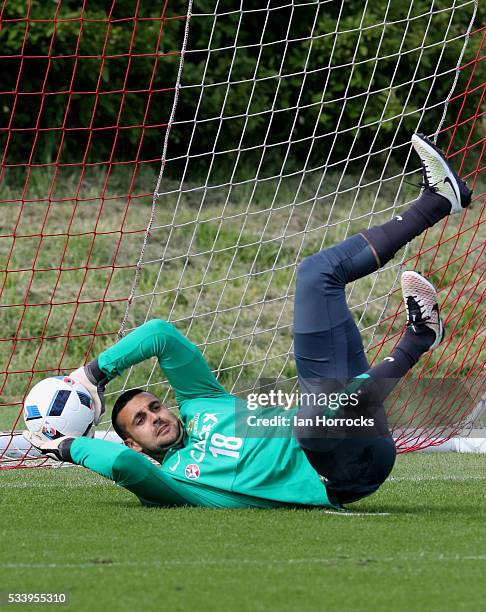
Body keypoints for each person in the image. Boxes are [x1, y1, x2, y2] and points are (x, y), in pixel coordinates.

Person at [24, 133, 472, 509]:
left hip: (341, 418)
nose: (155, 417)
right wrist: (63, 448)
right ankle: (414, 342)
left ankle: (438, 202)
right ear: (135, 444)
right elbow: (122, 467)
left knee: (317, 275)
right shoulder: (174, 485)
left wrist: (93, 374)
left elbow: (160, 334)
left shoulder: (200, 402)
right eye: (139, 421)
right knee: (314, 418)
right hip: (341, 472)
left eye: (154, 406)